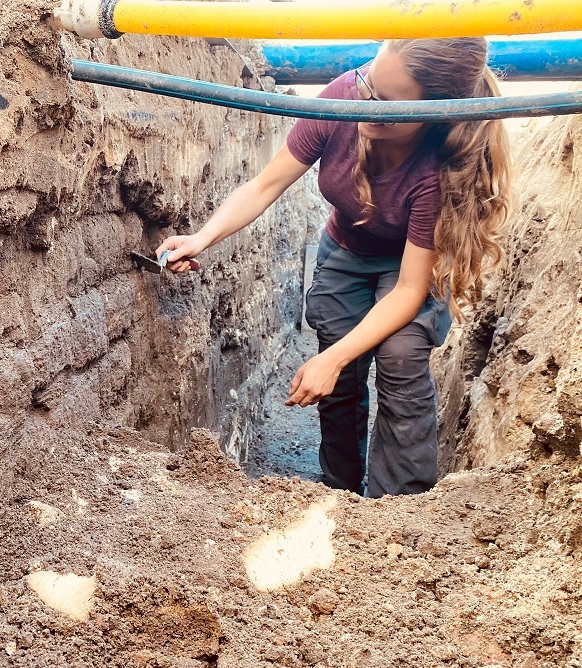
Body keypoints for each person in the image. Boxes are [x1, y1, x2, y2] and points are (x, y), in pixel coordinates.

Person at [157, 38, 512, 497]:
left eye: (385, 103)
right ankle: (338, 497)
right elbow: (265, 185)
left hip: (410, 266)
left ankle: (399, 509)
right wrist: (202, 237)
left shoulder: (442, 169)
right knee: (339, 377)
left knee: (400, 360)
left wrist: (335, 355)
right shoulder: (343, 98)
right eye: (368, 81)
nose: (363, 104)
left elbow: (408, 290)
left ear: (433, 113)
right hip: (346, 251)